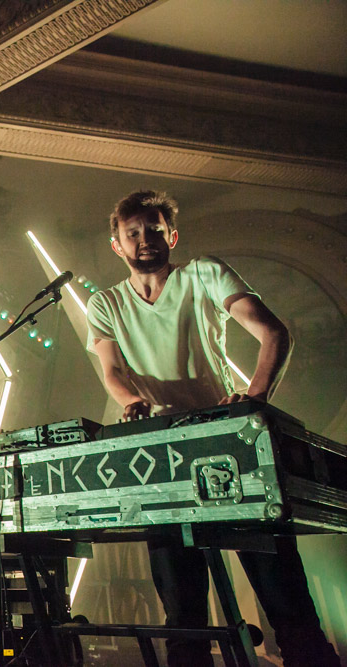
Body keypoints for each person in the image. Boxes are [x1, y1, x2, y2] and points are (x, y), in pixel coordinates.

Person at [86, 190, 339, 667]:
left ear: (172, 236)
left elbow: (274, 333)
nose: (145, 240)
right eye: (134, 233)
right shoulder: (104, 304)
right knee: (183, 613)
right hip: (162, 458)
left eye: (155, 230)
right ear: (116, 245)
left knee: (285, 600)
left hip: (230, 446)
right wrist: (133, 402)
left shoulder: (204, 274)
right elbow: (112, 371)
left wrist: (255, 399)